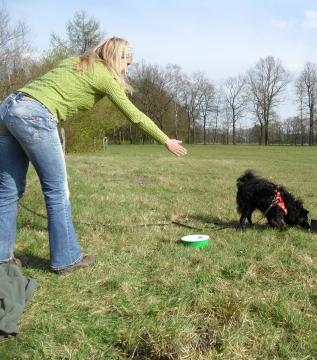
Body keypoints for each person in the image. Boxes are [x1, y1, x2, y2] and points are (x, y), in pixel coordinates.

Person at [0, 37, 187, 274]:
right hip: (35, 114)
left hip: (8, 108)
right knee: (57, 189)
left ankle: (3, 259)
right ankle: (66, 259)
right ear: (117, 57)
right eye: (127, 64)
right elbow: (135, 116)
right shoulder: (105, 77)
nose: (127, 70)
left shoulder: (75, 61)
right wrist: (165, 139)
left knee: (7, 191)